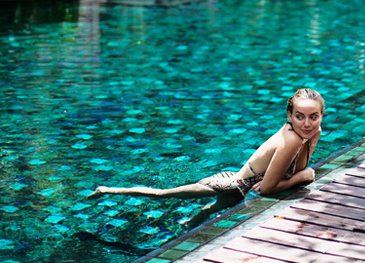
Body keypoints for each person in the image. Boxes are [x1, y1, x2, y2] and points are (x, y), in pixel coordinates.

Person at [87, 88, 324, 227]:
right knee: (163, 195)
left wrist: (302, 165)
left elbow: (292, 171)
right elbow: (271, 188)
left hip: (241, 189)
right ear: (289, 115)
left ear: (322, 115)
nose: (307, 123)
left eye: (313, 117)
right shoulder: (292, 138)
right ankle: (108, 190)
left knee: (208, 212)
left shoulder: (310, 133)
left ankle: (187, 226)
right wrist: (304, 175)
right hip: (231, 184)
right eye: (300, 116)